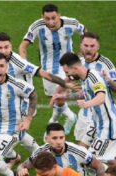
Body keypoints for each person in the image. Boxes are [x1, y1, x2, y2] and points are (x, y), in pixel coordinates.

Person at [0, 32, 79, 163]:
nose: (4, 51)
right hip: (5, 99)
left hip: (22, 104)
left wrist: (64, 83)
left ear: (11, 46)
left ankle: (38, 157)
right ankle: (26, 154)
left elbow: (43, 74)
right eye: (0, 48)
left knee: (13, 131)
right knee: (5, 131)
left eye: (6, 47)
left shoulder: (19, 62)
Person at [19, 3, 85, 135]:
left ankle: (65, 118)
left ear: (59, 15)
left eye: (53, 18)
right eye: (47, 18)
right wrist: (25, 65)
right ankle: (63, 117)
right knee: (54, 97)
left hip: (69, 65)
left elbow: (85, 33)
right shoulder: (37, 26)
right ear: (42, 17)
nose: (51, 21)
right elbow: (22, 47)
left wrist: (80, 55)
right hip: (49, 68)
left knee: (58, 95)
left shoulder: (71, 23)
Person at [18, 123, 106, 176]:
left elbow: (99, 166)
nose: (59, 142)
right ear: (47, 139)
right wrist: (22, 170)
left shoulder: (78, 151)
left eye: (61, 137)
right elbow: (22, 166)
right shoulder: (41, 152)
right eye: (54, 138)